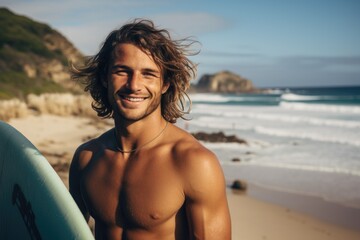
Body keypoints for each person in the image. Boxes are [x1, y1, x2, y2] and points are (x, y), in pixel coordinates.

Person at [69, 19, 231, 240]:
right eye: (122, 71)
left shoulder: (193, 163)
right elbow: (67, 232)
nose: (134, 85)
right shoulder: (86, 158)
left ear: (165, 84)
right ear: (105, 78)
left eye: (148, 74)